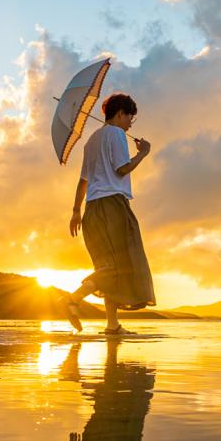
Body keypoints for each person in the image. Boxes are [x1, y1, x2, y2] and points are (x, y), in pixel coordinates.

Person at [65, 92, 156, 335]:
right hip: (112, 204)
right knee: (122, 264)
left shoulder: (91, 140)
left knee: (107, 264)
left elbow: (83, 181)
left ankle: (112, 324)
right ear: (120, 113)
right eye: (130, 118)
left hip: (92, 208)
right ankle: (74, 299)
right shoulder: (116, 134)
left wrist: (76, 211)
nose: (130, 124)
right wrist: (143, 153)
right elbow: (122, 169)